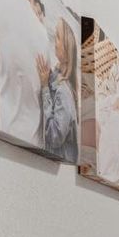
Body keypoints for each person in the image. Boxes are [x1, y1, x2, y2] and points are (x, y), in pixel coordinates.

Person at [0, 0, 49, 146]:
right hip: (28, 139)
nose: (37, 15)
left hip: (10, 129)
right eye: (35, 10)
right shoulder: (42, 38)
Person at [36, 18, 78, 163]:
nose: (55, 38)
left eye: (58, 36)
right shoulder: (57, 78)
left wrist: (45, 88)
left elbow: (54, 137)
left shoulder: (64, 92)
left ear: (66, 51)